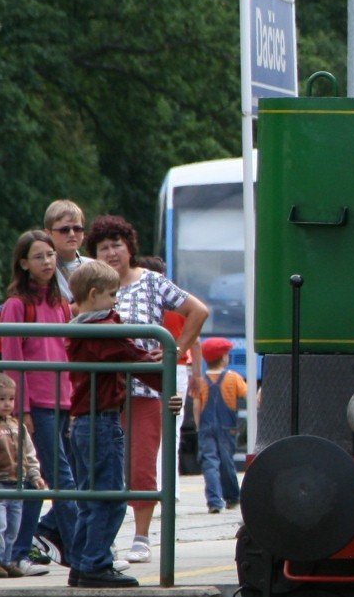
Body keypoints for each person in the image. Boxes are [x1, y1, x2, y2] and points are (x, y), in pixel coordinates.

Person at [86, 217, 204, 564]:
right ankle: (100, 540)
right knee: (101, 466)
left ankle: (141, 536)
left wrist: (176, 349)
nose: (111, 252)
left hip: (144, 389)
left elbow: (197, 311)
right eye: (103, 247)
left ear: (129, 247)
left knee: (141, 465)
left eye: (116, 245)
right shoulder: (90, 284)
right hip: (101, 388)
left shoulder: (150, 280)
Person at [64, 259, 164, 588]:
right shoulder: (101, 330)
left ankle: (82, 563)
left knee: (91, 498)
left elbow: (128, 353)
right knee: (110, 496)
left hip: (86, 421)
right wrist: (162, 373)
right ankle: (95, 563)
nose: (116, 302)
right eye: (112, 295)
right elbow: (129, 355)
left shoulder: (85, 326)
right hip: (101, 421)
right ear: (94, 295)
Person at [0, 230, 75, 568]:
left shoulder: (61, 303)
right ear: (24, 264)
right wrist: (22, 409)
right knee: (59, 479)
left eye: (50, 255)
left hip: (65, 402)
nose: (47, 261)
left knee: (40, 478)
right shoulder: (17, 305)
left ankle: (21, 549)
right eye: (39, 256)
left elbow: (69, 352)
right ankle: (81, 553)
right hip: (37, 405)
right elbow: (12, 359)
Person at [0, 372, 45, 578]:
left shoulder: (17, 426)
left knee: (12, 528)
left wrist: (34, 474)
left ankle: (6, 560)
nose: (7, 404)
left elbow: (29, 453)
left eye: (11, 399)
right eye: (1, 399)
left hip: (17, 483)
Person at [192, 337, 244, 513]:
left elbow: (197, 406)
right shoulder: (234, 378)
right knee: (227, 462)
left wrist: (199, 427)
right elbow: (247, 395)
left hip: (206, 427)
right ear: (224, 358)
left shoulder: (200, 381)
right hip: (227, 427)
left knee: (210, 463)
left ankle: (214, 501)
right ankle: (232, 497)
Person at [43, 201, 86, 301]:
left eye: (77, 229)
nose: (72, 234)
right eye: (64, 230)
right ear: (48, 233)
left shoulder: (94, 268)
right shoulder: (42, 269)